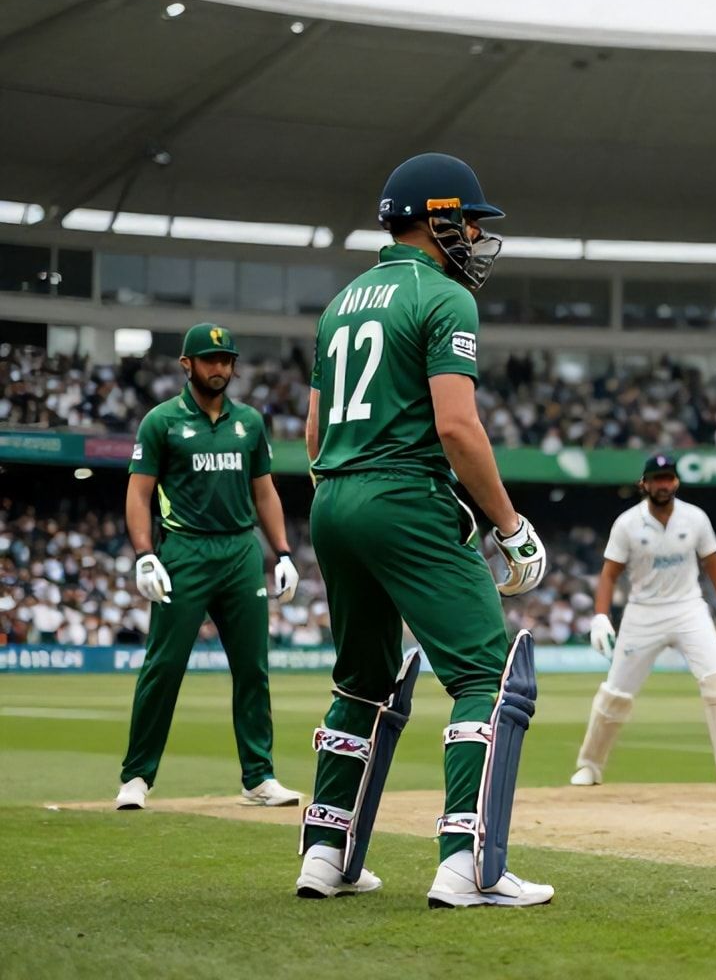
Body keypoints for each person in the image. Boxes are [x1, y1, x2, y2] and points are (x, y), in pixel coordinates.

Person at [295, 152, 551, 907]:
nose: (476, 233)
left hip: (332, 497)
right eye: (470, 219)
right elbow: (457, 428)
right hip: (404, 494)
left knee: (362, 682)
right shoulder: (442, 296)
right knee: (488, 675)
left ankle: (324, 853)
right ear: (437, 217)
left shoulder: (341, 302)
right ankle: (469, 865)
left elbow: (312, 432)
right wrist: (509, 525)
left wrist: (354, 499)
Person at [116, 322, 302, 811]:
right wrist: (145, 555)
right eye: (209, 360)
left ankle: (259, 777)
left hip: (241, 552)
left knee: (252, 669)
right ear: (186, 365)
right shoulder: (161, 421)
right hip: (184, 551)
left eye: (226, 360)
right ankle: (136, 777)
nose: (220, 368)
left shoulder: (250, 422)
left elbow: (264, 491)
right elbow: (138, 493)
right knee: (164, 665)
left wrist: (282, 552)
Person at [572, 454, 716, 787]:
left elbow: (713, 563)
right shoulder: (627, 523)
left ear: (676, 482)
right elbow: (609, 574)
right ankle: (589, 765)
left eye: (667, 478)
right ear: (644, 484)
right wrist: (600, 616)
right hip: (643, 612)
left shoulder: (695, 518)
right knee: (616, 694)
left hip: (688, 608)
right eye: (656, 479)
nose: (662, 484)